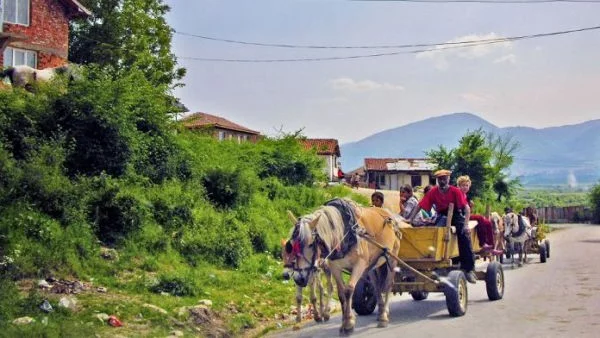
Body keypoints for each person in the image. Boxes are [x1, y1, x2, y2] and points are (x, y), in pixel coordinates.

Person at [408, 169, 477, 283]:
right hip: (441, 215)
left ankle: (468, 269)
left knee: (464, 236)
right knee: (433, 232)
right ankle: (435, 264)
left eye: (444, 178)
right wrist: (410, 219)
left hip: (456, 215)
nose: (442, 181)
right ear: (437, 180)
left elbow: (467, 209)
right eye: (440, 179)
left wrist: (465, 225)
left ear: (448, 179)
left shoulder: (455, 191)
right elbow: (420, 205)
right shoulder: (433, 192)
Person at [456, 175, 500, 255]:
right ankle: (482, 243)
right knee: (479, 218)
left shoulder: (465, 195)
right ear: (458, 186)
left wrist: (470, 206)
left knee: (487, 222)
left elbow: (468, 210)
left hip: (465, 215)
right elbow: (461, 209)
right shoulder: (458, 194)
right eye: (463, 185)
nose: (465, 187)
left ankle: (491, 247)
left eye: (467, 185)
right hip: (459, 216)